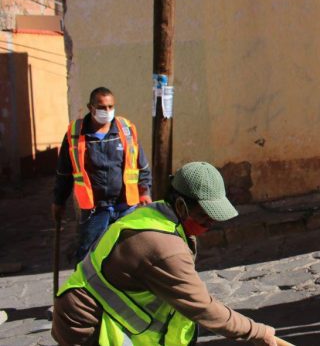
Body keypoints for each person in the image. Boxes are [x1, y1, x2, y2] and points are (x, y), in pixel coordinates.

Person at [52, 162, 278, 345]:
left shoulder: (158, 214)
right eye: (205, 215)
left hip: (87, 313)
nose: (210, 223)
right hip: (86, 325)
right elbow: (202, 307)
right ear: (181, 206)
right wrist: (258, 332)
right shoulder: (164, 248)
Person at [52, 87, 152, 262]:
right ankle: (85, 289)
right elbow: (64, 173)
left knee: (129, 257)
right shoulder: (75, 134)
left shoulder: (126, 130)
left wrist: (145, 192)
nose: (107, 111)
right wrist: (58, 201)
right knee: (88, 257)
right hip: (95, 210)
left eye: (110, 107)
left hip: (125, 206)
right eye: (102, 107)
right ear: (90, 107)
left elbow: (141, 165)